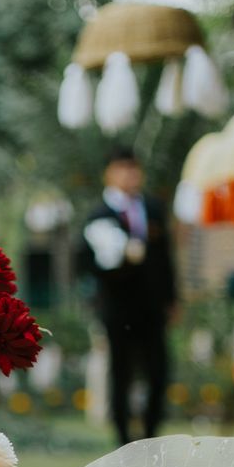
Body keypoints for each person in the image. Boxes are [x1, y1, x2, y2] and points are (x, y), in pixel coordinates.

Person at [83, 147, 176, 448]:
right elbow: (87, 264)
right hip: (117, 307)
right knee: (120, 374)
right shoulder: (99, 215)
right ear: (110, 173)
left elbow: (165, 259)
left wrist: (171, 298)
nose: (130, 175)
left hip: (151, 308)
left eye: (134, 168)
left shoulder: (152, 207)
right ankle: (123, 441)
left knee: (158, 372)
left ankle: (150, 438)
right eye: (123, 168)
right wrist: (121, 257)